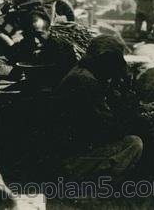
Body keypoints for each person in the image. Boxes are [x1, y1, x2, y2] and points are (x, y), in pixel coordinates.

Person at [52, 35, 143, 182]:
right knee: (134, 143)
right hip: (71, 161)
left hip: (67, 152)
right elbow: (112, 130)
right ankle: (98, 183)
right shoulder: (86, 82)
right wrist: (127, 98)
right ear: (104, 61)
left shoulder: (81, 72)